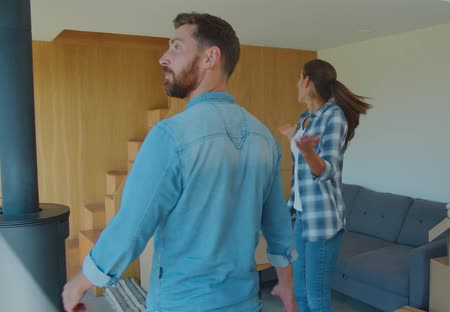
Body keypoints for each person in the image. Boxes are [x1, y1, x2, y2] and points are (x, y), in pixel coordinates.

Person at [63, 12, 295, 312]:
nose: (163, 58)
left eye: (176, 47)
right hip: (246, 302)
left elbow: (132, 224)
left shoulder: (170, 135)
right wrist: (286, 285)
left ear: (211, 57)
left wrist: (82, 280)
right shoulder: (264, 138)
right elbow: (278, 226)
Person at [278, 59, 371, 312]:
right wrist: (293, 139)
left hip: (323, 221)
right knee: (301, 293)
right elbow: (301, 164)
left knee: (316, 297)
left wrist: (307, 152)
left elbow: (326, 169)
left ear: (307, 80)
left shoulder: (334, 116)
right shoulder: (305, 118)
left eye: (299, 78)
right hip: (301, 216)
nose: (297, 84)